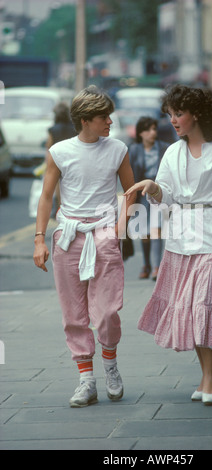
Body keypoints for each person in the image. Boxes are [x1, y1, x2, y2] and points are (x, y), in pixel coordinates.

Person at [125, 84, 212, 405]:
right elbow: (168, 197)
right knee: (194, 311)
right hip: (181, 240)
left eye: (179, 113)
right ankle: (207, 375)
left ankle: (209, 376)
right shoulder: (172, 152)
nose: (172, 120)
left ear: (196, 114)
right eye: (169, 115)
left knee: (207, 305)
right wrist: (153, 187)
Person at [33, 85, 136, 407]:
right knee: (73, 314)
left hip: (104, 233)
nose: (110, 122)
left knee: (106, 311)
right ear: (86, 119)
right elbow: (47, 196)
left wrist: (119, 229)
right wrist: (39, 239)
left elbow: (130, 191)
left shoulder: (118, 148)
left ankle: (111, 366)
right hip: (68, 235)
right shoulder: (60, 151)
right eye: (104, 117)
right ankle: (86, 380)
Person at [129, 116, 169, 280]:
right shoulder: (134, 150)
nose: (152, 133)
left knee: (156, 230)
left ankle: (156, 267)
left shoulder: (164, 148)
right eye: (148, 129)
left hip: (158, 193)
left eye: (154, 129)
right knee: (144, 233)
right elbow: (130, 175)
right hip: (142, 196)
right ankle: (146, 264)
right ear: (141, 133)